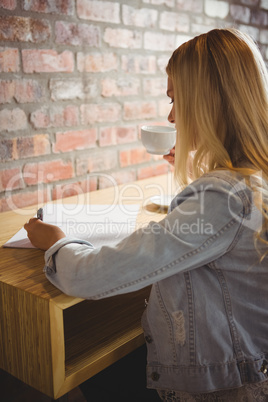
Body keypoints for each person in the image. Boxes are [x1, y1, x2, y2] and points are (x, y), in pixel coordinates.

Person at [24, 28, 268, 401]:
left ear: (208, 101)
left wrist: (56, 242)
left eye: (176, 100)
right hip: (245, 361)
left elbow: (93, 276)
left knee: (67, 382)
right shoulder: (252, 180)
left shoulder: (223, 196)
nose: (171, 117)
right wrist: (198, 163)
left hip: (225, 386)